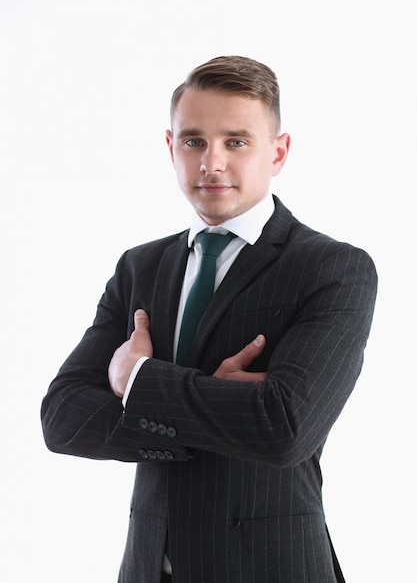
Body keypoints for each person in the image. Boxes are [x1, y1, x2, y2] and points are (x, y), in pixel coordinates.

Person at [41, 55, 378, 583]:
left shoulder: (331, 267)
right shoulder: (141, 266)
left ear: (279, 152)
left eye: (236, 141)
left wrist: (140, 381)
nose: (211, 162)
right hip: (149, 568)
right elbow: (62, 417)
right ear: (171, 147)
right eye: (194, 140)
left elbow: (286, 427)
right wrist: (210, 407)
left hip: (270, 567)